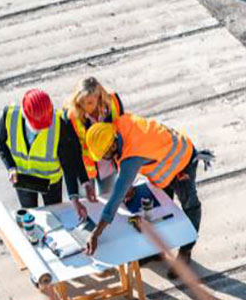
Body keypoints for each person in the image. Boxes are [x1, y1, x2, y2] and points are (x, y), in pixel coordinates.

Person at [83, 113, 207, 278]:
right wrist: (126, 180)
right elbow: (123, 159)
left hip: (182, 162)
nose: (103, 159)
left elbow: (115, 199)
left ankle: (186, 251)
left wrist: (96, 233)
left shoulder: (132, 156)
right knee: (159, 210)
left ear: (112, 146)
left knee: (190, 205)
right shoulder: (119, 125)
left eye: (103, 155)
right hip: (164, 165)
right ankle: (158, 249)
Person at [0, 88, 88, 218]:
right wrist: (10, 167)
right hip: (23, 180)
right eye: (38, 126)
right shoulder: (9, 117)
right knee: (30, 216)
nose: (42, 129)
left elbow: (68, 164)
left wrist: (74, 198)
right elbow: (0, 142)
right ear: (25, 114)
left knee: (55, 216)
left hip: (51, 183)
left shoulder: (58, 124)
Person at [64, 77, 124, 199]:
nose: (85, 107)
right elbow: (71, 151)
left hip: (108, 166)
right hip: (85, 172)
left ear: (99, 97)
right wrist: (83, 180)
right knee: (86, 203)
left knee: (108, 198)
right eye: (81, 102)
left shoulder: (114, 103)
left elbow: (123, 132)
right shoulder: (71, 115)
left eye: (90, 102)